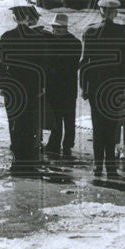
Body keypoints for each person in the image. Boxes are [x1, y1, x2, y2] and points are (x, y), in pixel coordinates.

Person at [80, 0, 125, 177]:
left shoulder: (90, 31)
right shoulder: (123, 32)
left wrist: (83, 88)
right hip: (114, 89)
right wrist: (123, 88)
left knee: (97, 127)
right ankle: (111, 167)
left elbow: (84, 62)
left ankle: (97, 165)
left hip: (95, 88)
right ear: (115, 13)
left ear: (100, 11)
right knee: (111, 127)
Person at [0, 4, 49, 175]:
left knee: (14, 122)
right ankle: (28, 160)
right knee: (29, 123)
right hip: (32, 87)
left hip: (12, 87)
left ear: (14, 18)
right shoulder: (37, 37)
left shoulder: (6, 37)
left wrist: (1, 86)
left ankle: (17, 159)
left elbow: (2, 64)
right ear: (27, 18)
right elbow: (42, 65)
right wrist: (42, 86)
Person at [43, 13, 81, 160]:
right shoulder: (53, 41)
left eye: (58, 28)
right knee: (56, 118)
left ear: (66, 28)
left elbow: (71, 65)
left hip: (67, 86)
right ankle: (55, 143)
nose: (55, 30)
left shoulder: (75, 43)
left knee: (69, 118)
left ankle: (67, 144)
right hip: (55, 86)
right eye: (54, 27)